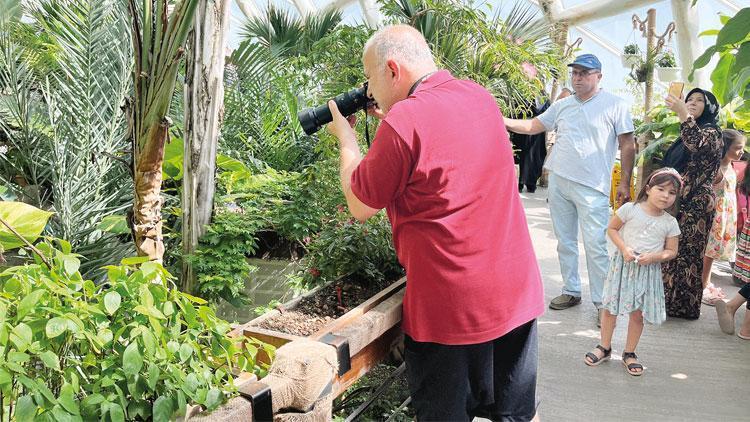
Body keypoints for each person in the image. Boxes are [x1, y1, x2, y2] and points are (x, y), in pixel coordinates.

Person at [325, 25, 544, 421]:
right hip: (514, 291)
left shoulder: (405, 121)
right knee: (514, 414)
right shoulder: (478, 96)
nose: (369, 91)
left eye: (370, 79)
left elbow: (360, 205)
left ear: (392, 69)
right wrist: (396, 115)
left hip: (451, 306)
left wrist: (347, 141)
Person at [504, 54, 636, 323]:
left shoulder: (615, 105)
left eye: (584, 73)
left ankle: (603, 302)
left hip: (593, 187)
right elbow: (534, 125)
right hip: (560, 181)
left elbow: (627, 144)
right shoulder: (563, 105)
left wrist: (624, 182)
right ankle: (571, 290)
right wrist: (501, 119)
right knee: (564, 242)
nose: (577, 78)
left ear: (599, 76)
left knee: (597, 245)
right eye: (575, 73)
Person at [583, 168, 682, 376]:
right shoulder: (630, 209)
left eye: (672, 192)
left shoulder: (670, 222)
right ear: (648, 189)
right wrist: (624, 248)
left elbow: (672, 251)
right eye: (661, 189)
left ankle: (629, 353)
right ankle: (604, 346)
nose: (665, 195)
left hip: (647, 271)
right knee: (610, 308)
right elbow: (612, 229)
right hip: (622, 266)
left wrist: (654, 257)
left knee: (637, 314)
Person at [662, 88, 723, 319]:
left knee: (688, 254)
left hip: (696, 202)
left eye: (700, 100)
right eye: (690, 99)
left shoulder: (712, 132)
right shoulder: (686, 131)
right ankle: (668, 302)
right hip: (680, 200)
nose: (693, 102)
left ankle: (684, 307)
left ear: (709, 108)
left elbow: (696, 144)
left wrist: (682, 114)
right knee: (672, 251)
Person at [702, 130, 747, 304]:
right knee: (709, 250)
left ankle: (705, 281)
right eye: (738, 148)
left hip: (726, 213)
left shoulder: (731, 166)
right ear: (725, 147)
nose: (741, 152)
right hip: (715, 213)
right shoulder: (715, 167)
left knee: (714, 250)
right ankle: (704, 284)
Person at [510, 97, 550, 193]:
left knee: (525, 157)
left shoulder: (522, 97)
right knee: (534, 158)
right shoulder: (544, 99)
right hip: (536, 132)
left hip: (523, 130)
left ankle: (521, 183)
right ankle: (530, 185)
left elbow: (514, 114)